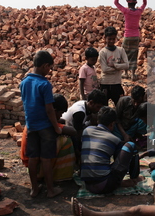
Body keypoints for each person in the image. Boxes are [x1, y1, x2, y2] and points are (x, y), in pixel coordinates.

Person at [19, 50, 63, 198]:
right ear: (45, 66)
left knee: (33, 158)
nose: (49, 71)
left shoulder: (24, 82)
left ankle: (34, 189)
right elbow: (50, 110)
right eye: (49, 68)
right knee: (46, 159)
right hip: (44, 127)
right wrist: (56, 127)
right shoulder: (44, 84)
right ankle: (50, 190)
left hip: (30, 125)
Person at [80, 106, 143, 194]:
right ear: (112, 124)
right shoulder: (114, 139)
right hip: (104, 186)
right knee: (130, 145)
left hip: (88, 184)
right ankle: (134, 178)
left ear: (98, 121)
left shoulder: (86, 131)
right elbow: (120, 164)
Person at [21, 93, 77, 181]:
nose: (61, 116)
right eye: (60, 113)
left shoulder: (37, 116)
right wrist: (60, 129)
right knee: (66, 140)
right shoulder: (48, 123)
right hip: (37, 166)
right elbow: (73, 131)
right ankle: (59, 176)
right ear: (54, 111)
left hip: (30, 163)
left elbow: (60, 121)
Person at [61, 89, 106, 162]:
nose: (99, 110)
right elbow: (77, 134)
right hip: (67, 131)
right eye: (98, 107)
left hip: (75, 129)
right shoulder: (80, 112)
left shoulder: (85, 104)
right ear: (91, 103)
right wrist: (79, 151)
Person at [115, 0, 147, 81]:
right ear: (135, 3)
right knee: (134, 54)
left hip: (127, 36)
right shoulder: (138, 12)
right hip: (136, 36)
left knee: (125, 54)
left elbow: (116, 3)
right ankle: (133, 74)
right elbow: (145, 4)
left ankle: (125, 73)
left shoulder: (126, 11)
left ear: (128, 3)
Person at [99, 26, 129, 106]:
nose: (112, 41)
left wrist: (115, 66)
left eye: (113, 39)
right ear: (105, 38)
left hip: (116, 83)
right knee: (103, 107)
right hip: (105, 83)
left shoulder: (120, 50)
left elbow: (127, 65)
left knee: (120, 106)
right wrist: (119, 67)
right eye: (109, 39)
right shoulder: (102, 52)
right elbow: (104, 69)